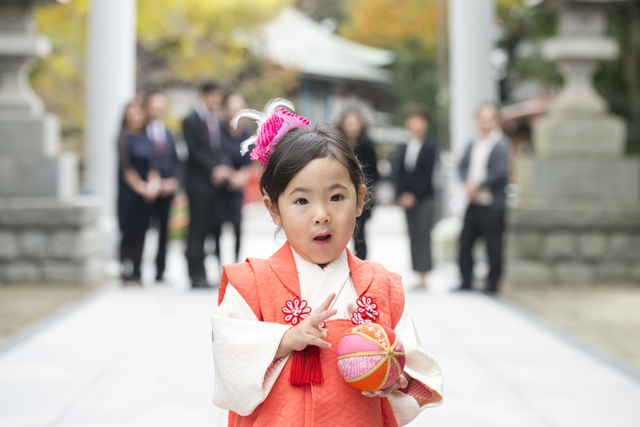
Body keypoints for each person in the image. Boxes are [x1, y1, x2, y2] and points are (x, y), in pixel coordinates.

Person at [210, 99, 443, 426]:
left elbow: (413, 367)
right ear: (273, 208)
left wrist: (396, 380)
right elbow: (230, 358)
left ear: (360, 200)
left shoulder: (383, 286)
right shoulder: (251, 284)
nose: (322, 215)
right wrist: (285, 339)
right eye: (302, 200)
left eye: (337, 197)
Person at [456, 103, 511, 294]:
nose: (485, 122)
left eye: (489, 118)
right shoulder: (473, 142)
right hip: (473, 202)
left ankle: (492, 283)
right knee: (465, 242)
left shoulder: (501, 144)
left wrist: (477, 185)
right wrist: (466, 183)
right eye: (481, 118)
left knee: (493, 245)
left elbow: (500, 173)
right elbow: (462, 167)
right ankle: (466, 280)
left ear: (496, 121)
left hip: (492, 204)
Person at [182, 81, 232, 288]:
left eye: (217, 97)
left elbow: (222, 149)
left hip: (215, 186)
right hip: (198, 184)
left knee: (212, 229)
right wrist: (214, 168)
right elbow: (194, 152)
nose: (214, 100)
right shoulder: (190, 121)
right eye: (211, 96)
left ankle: (206, 274)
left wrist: (223, 168)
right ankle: (196, 275)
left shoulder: (217, 122)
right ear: (202, 96)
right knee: (197, 230)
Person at [117, 99, 161, 285]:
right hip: (130, 192)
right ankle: (126, 270)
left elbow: (152, 164)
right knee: (129, 231)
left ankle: (138, 270)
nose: (135, 117)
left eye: (138, 113)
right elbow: (126, 168)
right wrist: (141, 187)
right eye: (131, 114)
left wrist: (152, 184)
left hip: (145, 193)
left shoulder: (147, 137)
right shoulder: (123, 138)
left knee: (143, 231)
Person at [395, 105, 438, 290]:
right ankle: (416, 272)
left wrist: (414, 195)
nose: (415, 124)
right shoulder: (404, 147)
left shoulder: (430, 147)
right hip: (407, 200)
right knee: (413, 235)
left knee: (423, 234)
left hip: (424, 198)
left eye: (419, 120)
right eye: (412, 120)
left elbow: (426, 175)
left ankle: (424, 274)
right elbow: (399, 173)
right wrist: (401, 194)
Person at [213, 92, 253, 266]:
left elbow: (249, 159)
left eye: (239, 108)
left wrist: (241, 176)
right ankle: (218, 266)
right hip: (219, 187)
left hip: (237, 187)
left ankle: (236, 265)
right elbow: (217, 156)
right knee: (216, 227)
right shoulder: (218, 130)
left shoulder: (247, 133)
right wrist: (230, 175)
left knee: (237, 226)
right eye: (231, 108)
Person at [144, 90, 181, 282]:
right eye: (154, 107)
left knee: (164, 233)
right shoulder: (141, 133)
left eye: (160, 107)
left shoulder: (168, 134)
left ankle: (160, 271)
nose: (157, 110)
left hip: (167, 191)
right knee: (142, 230)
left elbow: (176, 161)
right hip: (147, 191)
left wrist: (173, 181)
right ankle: (137, 270)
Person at [338, 108, 379, 260]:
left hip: (362, 196)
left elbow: (374, 174)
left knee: (360, 235)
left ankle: (360, 265)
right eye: (348, 123)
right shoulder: (337, 145)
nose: (351, 127)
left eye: (354, 123)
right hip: (339, 195)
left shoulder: (367, 146)